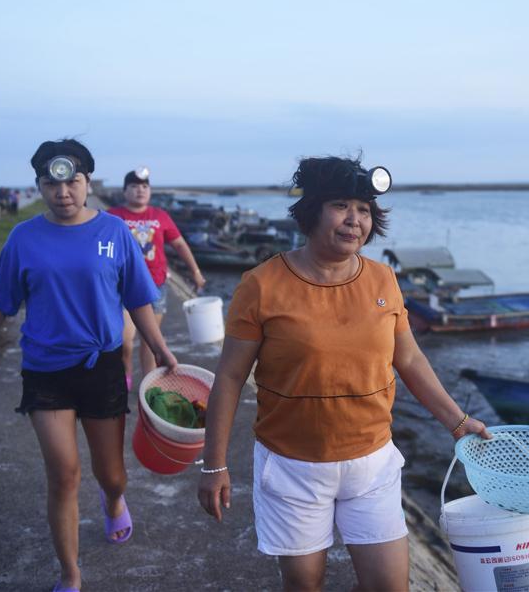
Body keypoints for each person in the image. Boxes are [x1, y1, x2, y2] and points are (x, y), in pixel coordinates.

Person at [197, 156, 491, 592]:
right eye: (341, 205)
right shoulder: (261, 285)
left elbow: (408, 360)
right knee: (304, 584)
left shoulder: (383, 280)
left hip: (371, 463)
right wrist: (213, 464)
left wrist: (458, 421)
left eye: (365, 209)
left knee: (390, 586)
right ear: (311, 210)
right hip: (292, 465)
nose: (355, 220)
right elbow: (229, 378)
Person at [0, 139, 178, 592]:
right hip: (46, 370)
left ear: (87, 184)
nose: (63, 192)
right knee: (63, 473)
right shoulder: (24, 237)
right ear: (40, 186)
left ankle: (113, 499)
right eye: (51, 183)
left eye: (73, 182)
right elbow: (1, 297)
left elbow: (139, 298)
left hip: (100, 367)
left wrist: (159, 347)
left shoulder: (115, 232)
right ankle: (70, 573)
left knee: (111, 474)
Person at [108, 166, 206, 388]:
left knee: (150, 341)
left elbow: (179, 244)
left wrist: (195, 272)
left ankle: (148, 385)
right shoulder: (113, 217)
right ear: (124, 191)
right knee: (125, 341)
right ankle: (126, 374)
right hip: (121, 287)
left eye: (144, 186)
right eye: (134, 186)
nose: (140, 191)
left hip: (156, 286)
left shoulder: (160, 216)